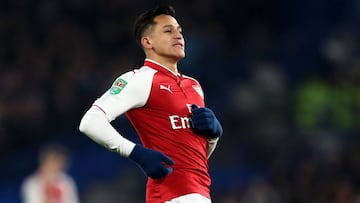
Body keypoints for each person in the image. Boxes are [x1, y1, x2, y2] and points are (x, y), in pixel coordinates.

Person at [79, 4, 223, 203]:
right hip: (171, 196)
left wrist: (213, 137)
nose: (178, 35)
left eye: (179, 30)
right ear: (148, 42)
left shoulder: (194, 85)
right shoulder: (140, 80)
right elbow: (90, 121)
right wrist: (135, 152)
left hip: (199, 193)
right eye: (168, 30)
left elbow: (195, 157)